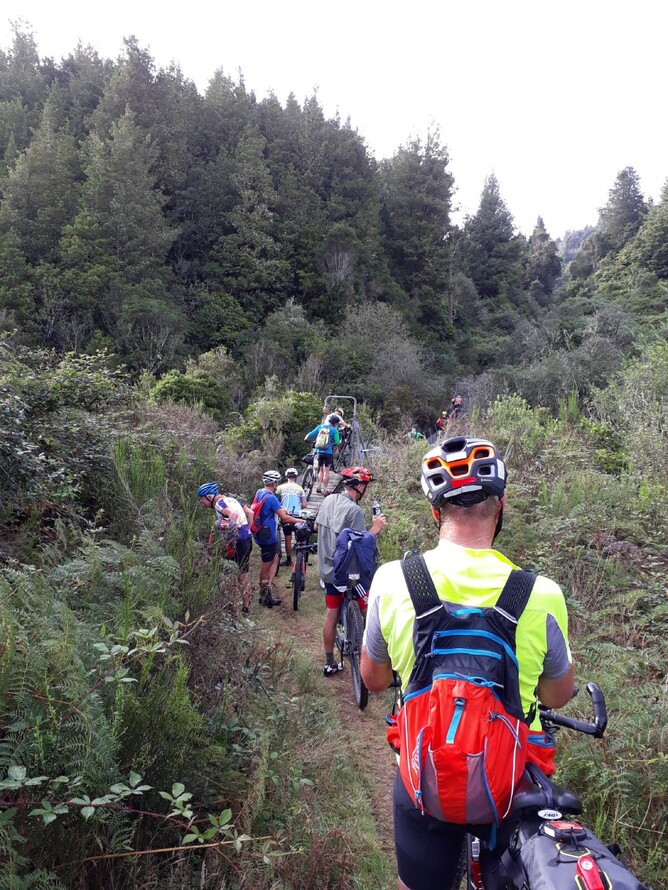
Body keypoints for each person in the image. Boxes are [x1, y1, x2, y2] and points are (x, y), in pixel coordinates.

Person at [360, 437, 574, 890]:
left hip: (422, 776)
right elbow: (557, 695)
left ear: (435, 511)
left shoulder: (393, 580)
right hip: (509, 784)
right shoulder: (541, 593)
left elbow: (373, 679)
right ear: (501, 505)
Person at [314, 466, 386, 676]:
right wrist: (375, 529)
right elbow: (359, 545)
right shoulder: (354, 511)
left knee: (331, 615)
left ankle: (329, 662)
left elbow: (317, 528)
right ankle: (373, 658)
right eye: (364, 485)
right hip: (346, 572)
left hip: (327, 570)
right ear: (358, 486)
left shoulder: (328, 500)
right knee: (368, 608)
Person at [197, 482, 254, 615]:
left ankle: (233, 613)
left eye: (202, 498)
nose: (201, 502)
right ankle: (246, 610)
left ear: (210, 497)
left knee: (232, 578)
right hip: (247, 539)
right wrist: (248, 530)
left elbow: (232, 514)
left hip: (235, 543)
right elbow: (250, 512)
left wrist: (230, 534)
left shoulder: (219, 503)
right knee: (244, 576)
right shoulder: (232, 500)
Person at [252, 470, 303, 607]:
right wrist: (301, 521)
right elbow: (285, 518)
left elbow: (267, 510)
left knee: (275, 557)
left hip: (260, 532)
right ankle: (264, 596)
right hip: (269, 536)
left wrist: (280, 509)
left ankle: (267, 587)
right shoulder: (271, 497)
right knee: (266, 565)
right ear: (274, 483)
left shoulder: (259, 493)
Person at [276, 468, 307, 566]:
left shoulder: (280, 488)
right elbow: (304, 505)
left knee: (287, 538)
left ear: (286, 476)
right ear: (296, 477)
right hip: (297, 516)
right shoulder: (299, 488)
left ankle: (289, 560)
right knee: (299, 537)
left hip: (285, 516)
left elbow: (277, 502)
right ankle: (300, 559)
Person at [305, 413, 341, 493]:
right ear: (335, 423)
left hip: (318, 452)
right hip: (328, 453)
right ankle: (325, 489)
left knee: (320, 470)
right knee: (326, 471)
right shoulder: (334, 430)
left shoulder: (320, 427)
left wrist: (306, 439)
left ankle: (318, 486)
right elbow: (337, 442)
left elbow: (311, 434)